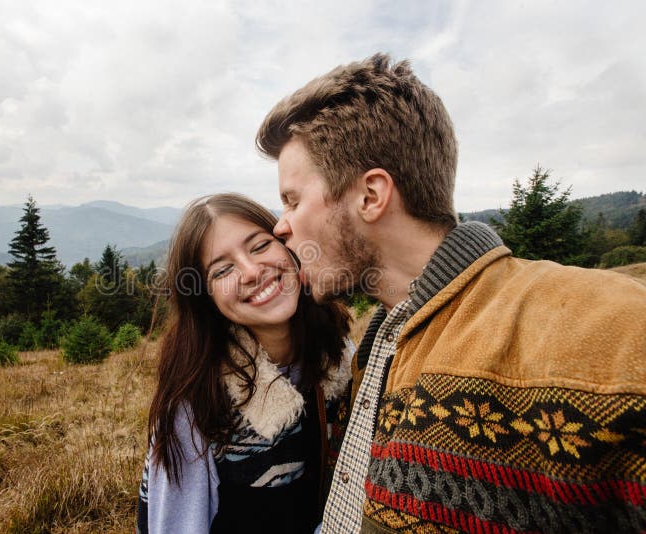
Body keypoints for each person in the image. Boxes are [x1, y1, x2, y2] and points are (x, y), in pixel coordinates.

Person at [256, 52, 646, 533]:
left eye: (293, 200)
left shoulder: (600, 332)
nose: (281, 226)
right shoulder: (380, 342)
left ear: (371, 196)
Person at [137, 193, 355, 534]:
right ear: (205, 298)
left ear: (286, 245)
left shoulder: (340, 358)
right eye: (223, 270)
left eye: (259, 246)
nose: (252, 271)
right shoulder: (196, 402)